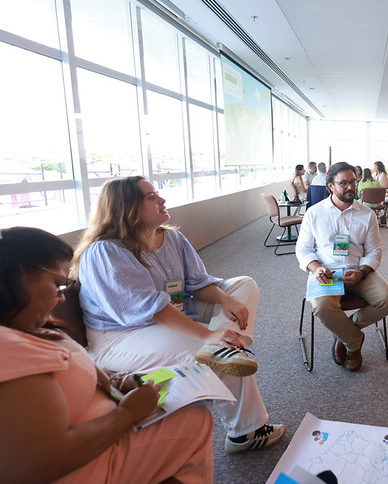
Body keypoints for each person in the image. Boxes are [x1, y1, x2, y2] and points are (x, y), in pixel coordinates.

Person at [74, 176, 285, 454]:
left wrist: (225, 300)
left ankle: (222, 352)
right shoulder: (105, 252)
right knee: (212, 346)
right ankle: (245, 430)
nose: (162, 200)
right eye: (151, 197)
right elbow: (151, 309)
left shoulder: (172, 237)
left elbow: (198, 283)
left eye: (158, 193)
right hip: (121, 337)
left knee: (241, 285)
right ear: (127, 207)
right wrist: (209, 334)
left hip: (173, 316)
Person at [0, 227, 213, 483]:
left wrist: (115, 382)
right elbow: (41, 462)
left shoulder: (28, 327)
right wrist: (127, 415)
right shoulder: (9, 347)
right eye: (57, 285)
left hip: (106, 431)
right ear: (17, 276)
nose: (60, 298)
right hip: (90, 463)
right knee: (194, 417)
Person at [296, 162, 388, 372]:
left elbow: (374, 251)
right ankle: (353, 342)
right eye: (344, 183)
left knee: (387, 301)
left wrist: (361, 272)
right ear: (331, 186)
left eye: (353, 182)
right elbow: (303, 250)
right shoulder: (314, 213)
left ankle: (343, 332)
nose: (351, 187)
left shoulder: (366, 214)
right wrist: (316, 268)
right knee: (323, 307)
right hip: (327, 272)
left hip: (359, 269)